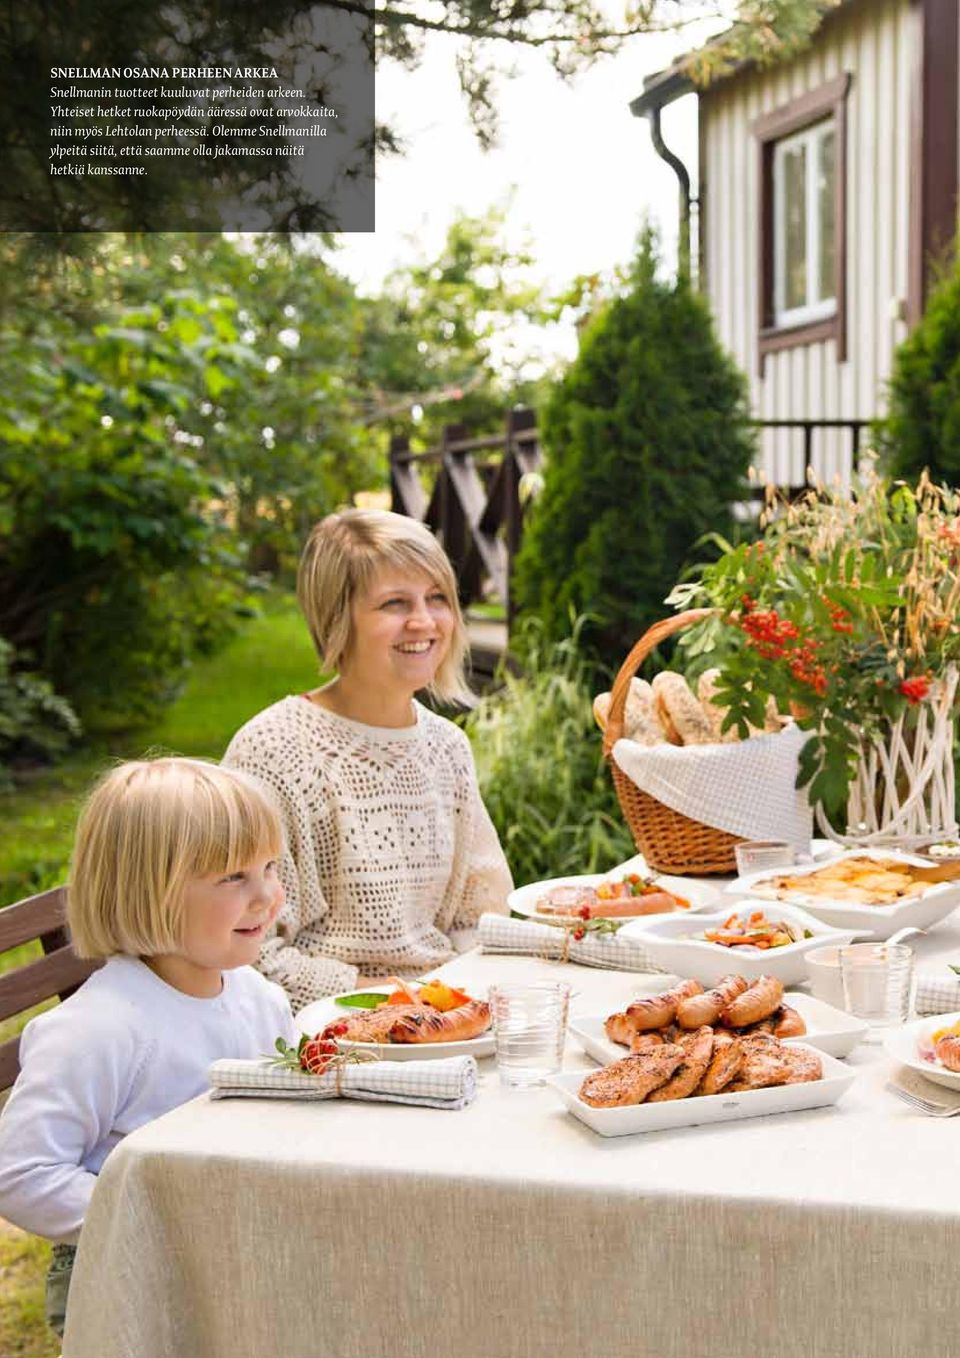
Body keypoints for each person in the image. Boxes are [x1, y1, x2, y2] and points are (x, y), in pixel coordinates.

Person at [0, 758, 297, 1338]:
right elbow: (20, 1171)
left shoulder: (257, 996)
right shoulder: (99, 1031)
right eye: (233, 877)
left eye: (269, 867)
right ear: (149, 893)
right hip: (121, 1273)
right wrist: (158, 1218)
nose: (267, 895)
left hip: (233, 1244)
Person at [223, 508, 513, 1008]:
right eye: (394, 604)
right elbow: (249, 955)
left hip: (445, 1016)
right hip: (328, 1033)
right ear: (337, 619)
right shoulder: (274, 753)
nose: (424, 621)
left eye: (437, 598)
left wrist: (464, 998)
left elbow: (480, 918)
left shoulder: (446, 747)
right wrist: (386, 1001)